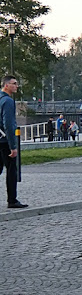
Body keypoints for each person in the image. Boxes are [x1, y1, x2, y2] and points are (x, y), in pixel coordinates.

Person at [0, 75, 27, 208]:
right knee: (11, 170)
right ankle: (12, 200)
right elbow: (9, 124)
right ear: (6, 85)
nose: (16, 86)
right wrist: (13, 146)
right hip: (5, 141)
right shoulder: (8, 101)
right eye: (14, 83)